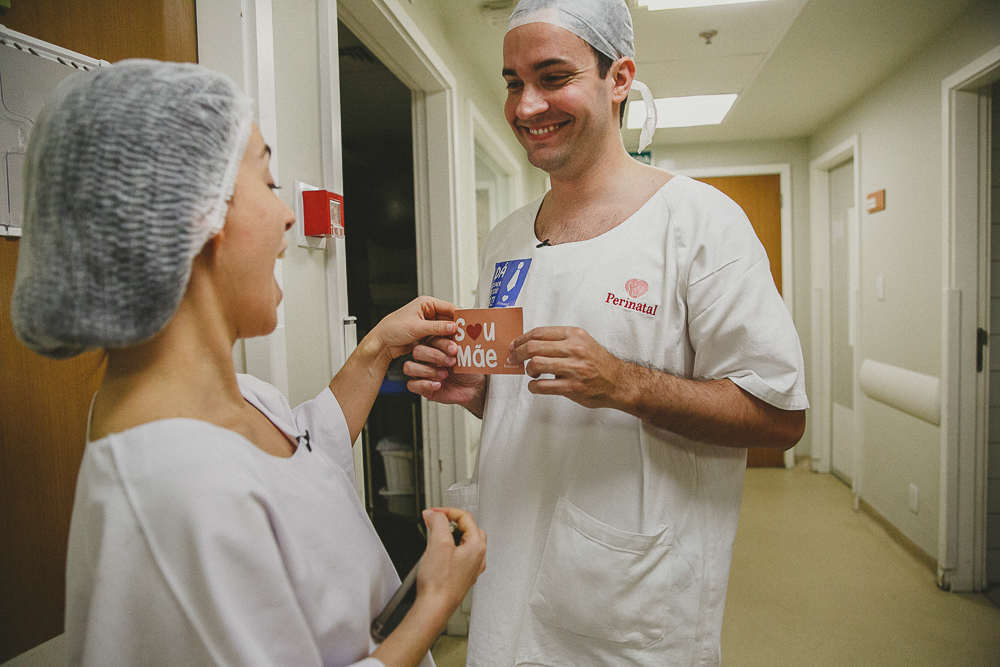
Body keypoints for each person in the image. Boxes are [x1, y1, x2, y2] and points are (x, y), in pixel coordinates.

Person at [10, 59, 486, 667]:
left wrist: (379, 348)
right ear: (193, 209)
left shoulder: (241, 397)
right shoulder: (173, 488)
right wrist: (434, 604)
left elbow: (303, 459)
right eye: (266, 182)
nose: (288, 213)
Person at [405, 0, 808, 664]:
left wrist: (628, 383)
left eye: (552, 76)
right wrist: (480, 391)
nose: (525, 105)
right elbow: (533, 403)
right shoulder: (508, 236)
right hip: (507, 574)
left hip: (632, 603)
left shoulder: (701, 224)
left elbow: (780, 417)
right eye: (512, 81)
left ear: (617, 78)